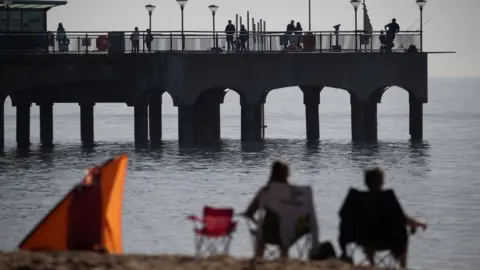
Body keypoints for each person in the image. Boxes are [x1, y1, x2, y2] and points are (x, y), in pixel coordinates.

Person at [362, 168, 427, 269]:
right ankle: (403, 266)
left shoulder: (359, 200)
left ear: (366, 182)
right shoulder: (388, 197)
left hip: (368, 244)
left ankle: (372, 264)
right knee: (402, 231)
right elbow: (403, 219)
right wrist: (420, 223)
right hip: (388, 241)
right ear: (382, 182)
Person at [244, 160, 292, 260]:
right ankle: (284, 260)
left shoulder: (265, 191)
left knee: (261, 232)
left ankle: (259, 258)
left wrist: (257, 222)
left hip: (266, 233)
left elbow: (249, 212)